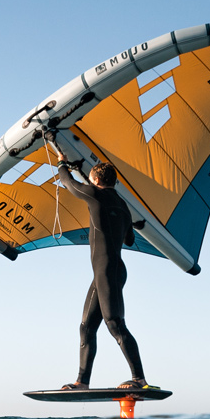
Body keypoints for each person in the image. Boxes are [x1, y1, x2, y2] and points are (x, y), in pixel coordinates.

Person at [54, 159, 151, 391]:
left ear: (96, 180)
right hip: (110, 271)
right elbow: (129, 239)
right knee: (86, 328)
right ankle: (82, 382)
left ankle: (139, 379)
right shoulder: (124, 207)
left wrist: (61, 164)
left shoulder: (95, 194)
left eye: (91, 178)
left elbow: (68, 182)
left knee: (115, 323)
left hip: (108, 271)